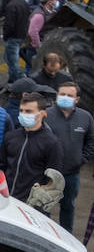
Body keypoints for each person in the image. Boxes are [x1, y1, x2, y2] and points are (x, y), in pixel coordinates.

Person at [44, 81, 94, 231]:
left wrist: (81, 159)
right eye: (62, 94)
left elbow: (91, 141)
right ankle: (46, 234)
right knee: (44, 206)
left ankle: (67, 234)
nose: (65, 97)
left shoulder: (85, 117)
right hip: (47, 173)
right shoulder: (46, 114)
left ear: (77, 99)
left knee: (68, 206)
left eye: (69, 95)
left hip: (72, 174)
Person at [0, 93, 62, 206]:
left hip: (32, 204)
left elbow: (53, 179)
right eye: (21, 110)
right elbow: (0, 165)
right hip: (5, 198)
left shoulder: (51, 142)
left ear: (43, 113)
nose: (23, 114)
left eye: (29, 111)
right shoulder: (11, 136)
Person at [0, 0, 27, 81]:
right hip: (22, 35)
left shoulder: (10, 6)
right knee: (10, 58)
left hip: (13, 36)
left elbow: (9, 24)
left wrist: (5, 35)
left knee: (12, 61)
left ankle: (17, 80)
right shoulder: (23, 3)